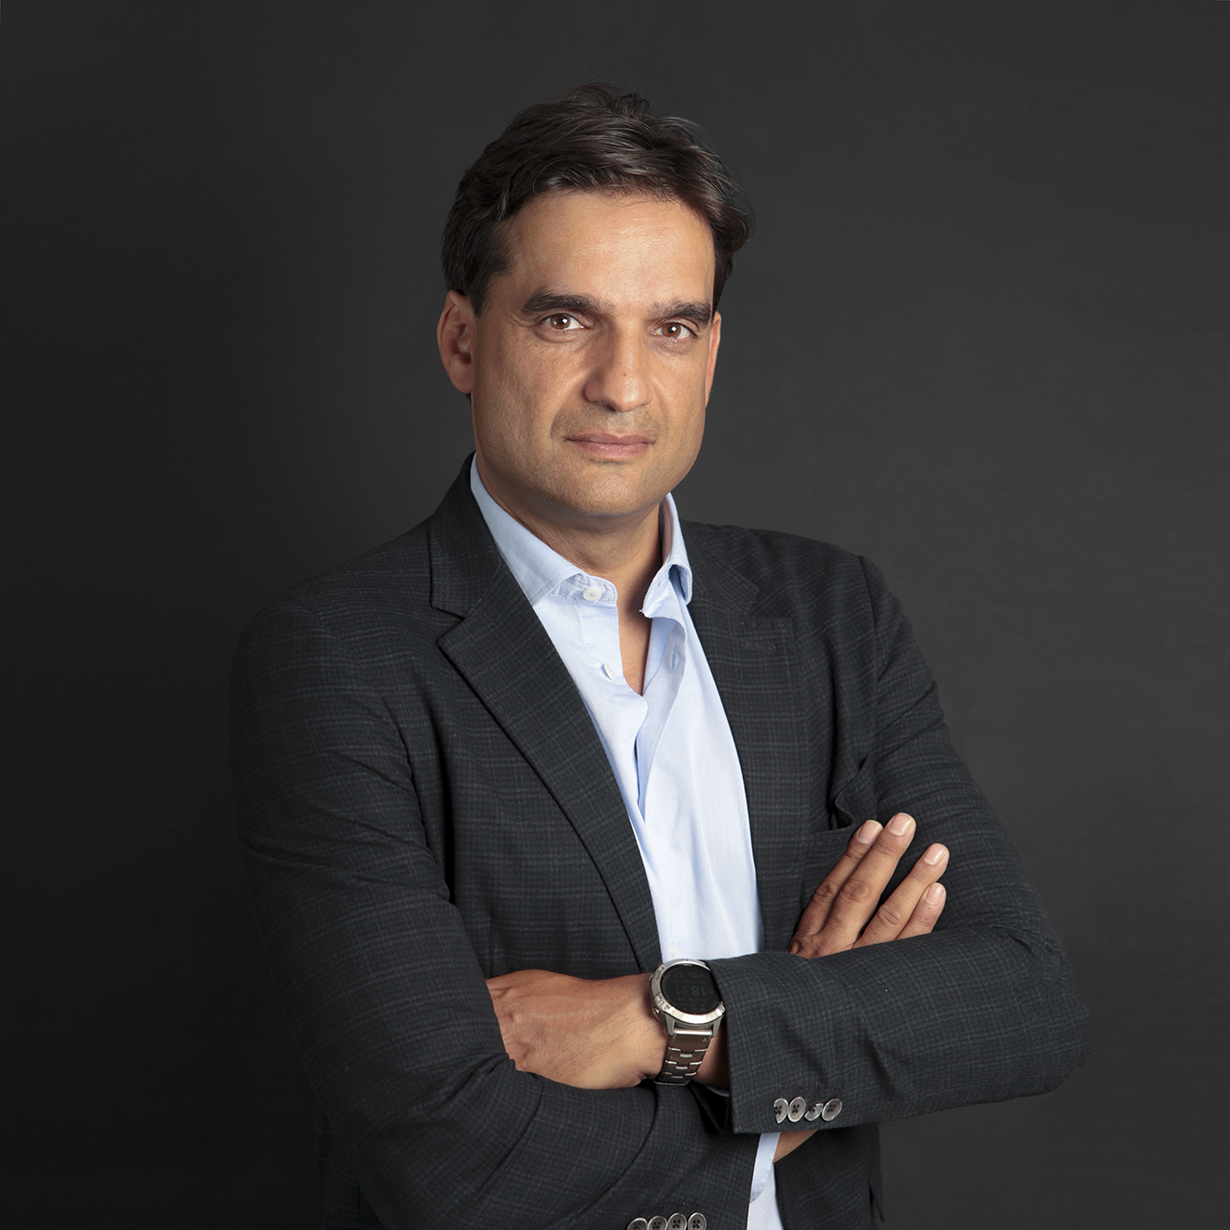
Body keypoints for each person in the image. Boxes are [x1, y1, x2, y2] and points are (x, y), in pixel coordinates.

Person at [231, 84, 1089, 1230]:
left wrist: (667, 1020)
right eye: (565, 320)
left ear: (712, 351)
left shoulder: (833, 614)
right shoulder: (336, 661)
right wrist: (794, 1064)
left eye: (672, 327)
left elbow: (1022, 1001)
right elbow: (448, 1160)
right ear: (462, 340)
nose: (624, 385)